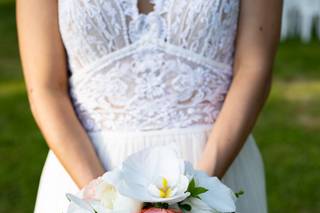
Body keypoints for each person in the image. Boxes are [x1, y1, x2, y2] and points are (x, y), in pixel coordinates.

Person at [16, 0, 283, 212]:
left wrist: (197, 197)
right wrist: (105, 202)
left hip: (217, 162)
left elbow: (254, 68)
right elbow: (46, 87)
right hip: (85, 170)